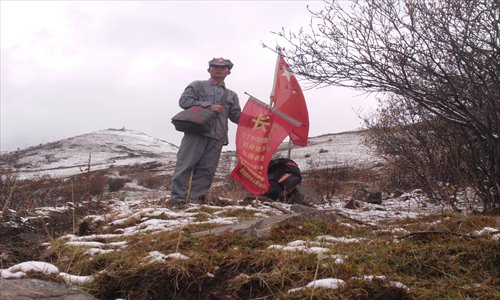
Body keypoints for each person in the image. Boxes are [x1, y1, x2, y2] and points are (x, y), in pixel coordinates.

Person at [170, 57, 241, 208]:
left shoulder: (232, 95)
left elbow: (236, 116)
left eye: (223, 67)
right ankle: (177, 201)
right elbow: (184, 102)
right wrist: (208, 105)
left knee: (207, 171)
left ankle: (195, 201)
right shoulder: (197, 85)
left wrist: (259, 119)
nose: (219, 69)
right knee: (184, 166)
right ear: (209, 69)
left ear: (228, 71)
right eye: (215, 66)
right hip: (196, 132)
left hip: (217, 137)